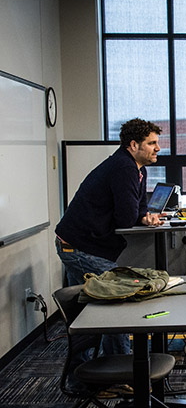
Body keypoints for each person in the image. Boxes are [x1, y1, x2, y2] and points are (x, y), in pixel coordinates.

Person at [55, 118, 164, 359]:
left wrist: (144, 216)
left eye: (158, 142)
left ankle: (84, 378)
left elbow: (139, 209)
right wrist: (140, 216)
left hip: (78, 243)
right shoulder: (123, 168)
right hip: (79, 247)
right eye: (152, 143)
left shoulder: (138, 169)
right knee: (117, 300)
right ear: (133, 145)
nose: (158, 148)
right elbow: (127, 218)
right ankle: (120, 372)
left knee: (87, 313)